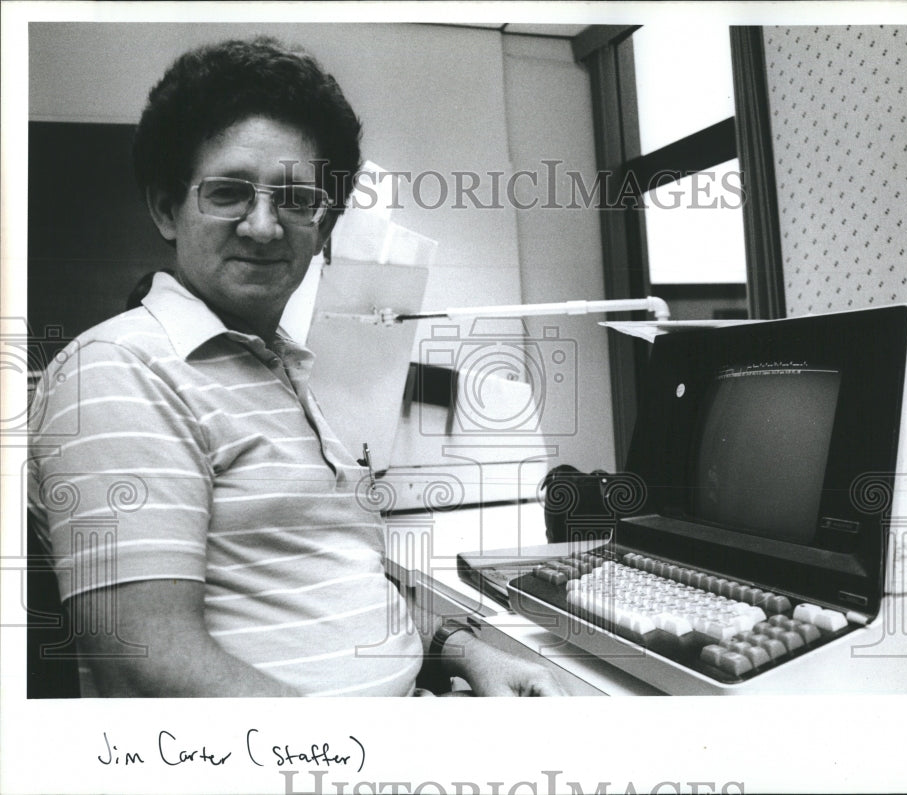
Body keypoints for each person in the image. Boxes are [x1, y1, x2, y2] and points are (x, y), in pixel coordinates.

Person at [28, 36, 562, 697]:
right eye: (228, 192)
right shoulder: (118, 370)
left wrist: (464, 648)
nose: (262, 226)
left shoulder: (287, 368)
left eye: (295, 199)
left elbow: (338, 567)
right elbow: (149, 659)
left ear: (323, 224)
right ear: (167, 208)